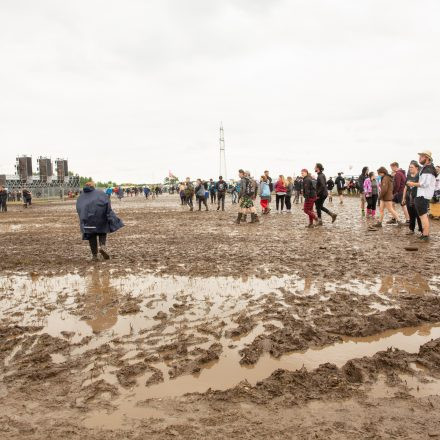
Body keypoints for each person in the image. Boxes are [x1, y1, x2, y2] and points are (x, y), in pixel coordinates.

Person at [76, 181, 124, 261]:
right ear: (94, 186)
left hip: (88, 221)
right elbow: (107, 203)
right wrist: (109, 215)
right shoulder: (100, 193)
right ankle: (102, 246)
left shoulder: (81, 196)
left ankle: (95, 256)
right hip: (101, 218)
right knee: (102, 232)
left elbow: (79, 208)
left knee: (92, 237)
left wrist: (82, 219)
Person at [406, 150, 438, 241]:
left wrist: (412, 183)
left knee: (423, 216)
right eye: (420, 156)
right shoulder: (427, 168)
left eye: (422, 156)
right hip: (422, 195)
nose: (419, 158)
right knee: (422, 216)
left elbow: (424, 184)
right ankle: (425, 234)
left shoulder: (428, 169)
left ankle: (426, 235)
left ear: (427, 158)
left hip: (423, 195)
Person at [402, 161, 422, 235]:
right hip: (409, 198)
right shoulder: (409, 176)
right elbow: (405, 187)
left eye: (412, 167)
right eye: (409, 167)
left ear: (416, 168)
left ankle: (421, 230)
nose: (410, 168)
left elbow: (422, 185)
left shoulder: (420, 176)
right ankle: (411, 229)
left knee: (418, 214)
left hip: (417, 197)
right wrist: (403, 198)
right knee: (411, 214)